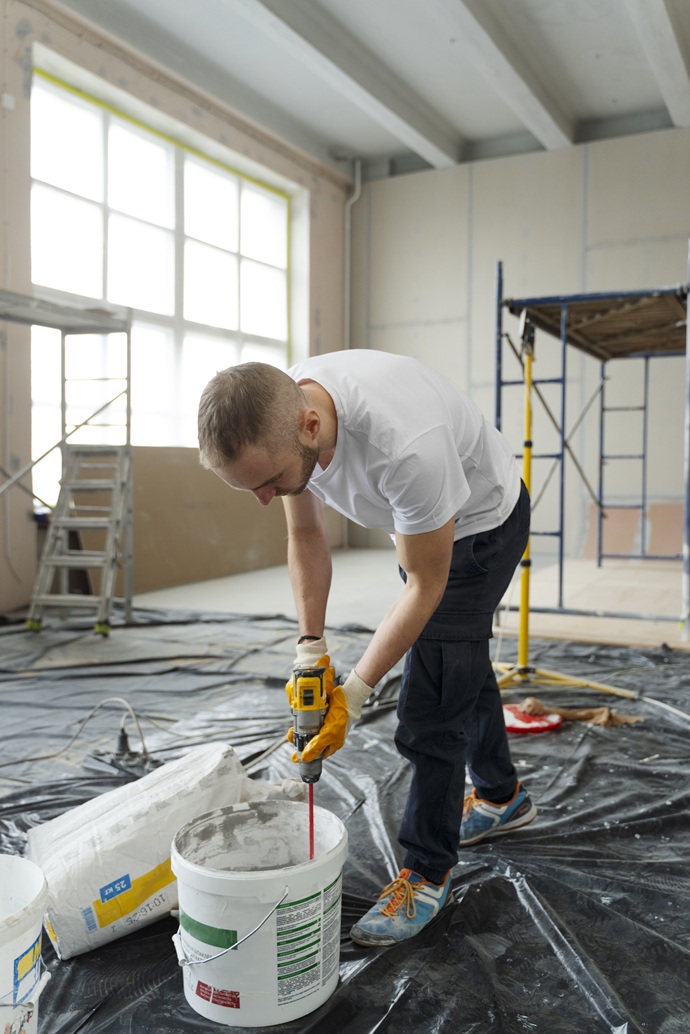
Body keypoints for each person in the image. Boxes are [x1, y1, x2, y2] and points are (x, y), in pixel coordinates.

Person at [197, 348, 536, 948]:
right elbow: (305, 533)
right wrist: (311, 650)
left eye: (270, 481)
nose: (264, 497)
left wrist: (352, 694)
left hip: (481, 525)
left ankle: (427, 872)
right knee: (455, 657)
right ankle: (502, 795)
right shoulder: (285, 414)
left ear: (310, 426)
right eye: (250, 487)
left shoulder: (404, 445)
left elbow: (429, 583)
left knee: (430, 707)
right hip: (428, 529)